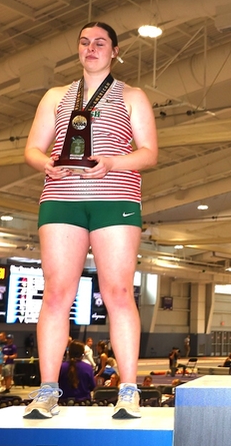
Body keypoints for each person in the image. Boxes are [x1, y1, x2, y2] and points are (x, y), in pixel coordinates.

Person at [23, 21, 157, 420]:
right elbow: (33, 148)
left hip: (114, 199)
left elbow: (149, 153)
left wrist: (113, 162)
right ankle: (48, 391)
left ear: (115, 51)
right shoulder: (55, 96)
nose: (91, 48)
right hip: (61, 200)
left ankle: (128, 391)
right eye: (84, 42)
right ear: (78, 50)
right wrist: (45, 162)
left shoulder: (132, 95)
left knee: (117, 292)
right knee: (56, 293)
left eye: (100, 43)